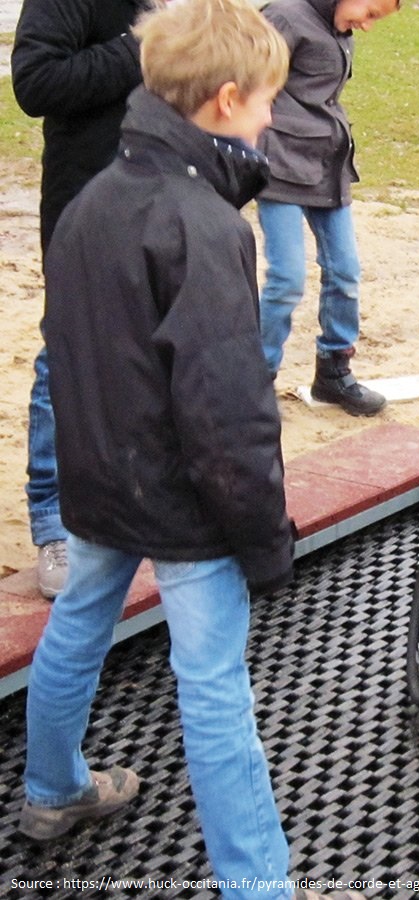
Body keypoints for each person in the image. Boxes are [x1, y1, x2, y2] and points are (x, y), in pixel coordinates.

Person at [18, 2, 362, 898]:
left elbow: (76, 355)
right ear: (221, 101)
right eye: (264, 106)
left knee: (80, 621)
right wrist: (261, 537)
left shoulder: (92, 201)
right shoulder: (203, 229)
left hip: (102, 478)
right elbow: (228, 411)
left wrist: (88, 479)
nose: (269, 122)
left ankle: (52, 786)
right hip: (184, 502)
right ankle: (262, 887)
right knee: (213, 688)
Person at [11, 0, 151, 598]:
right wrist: (142, 45)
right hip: (83, 206)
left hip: (159, 199)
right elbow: (35, 81)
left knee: (140, 360)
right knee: (66, 358)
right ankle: (53, 524)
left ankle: (119, 507)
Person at [254, 0, 400, 417]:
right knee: (287, 278)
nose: (367, 25)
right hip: (280, 164)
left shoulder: (338, 25)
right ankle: (254, 381)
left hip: (327, 165)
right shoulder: (284, 17)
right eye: (370, 12)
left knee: (345, 270)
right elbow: (247, 84)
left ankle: (334, 371)